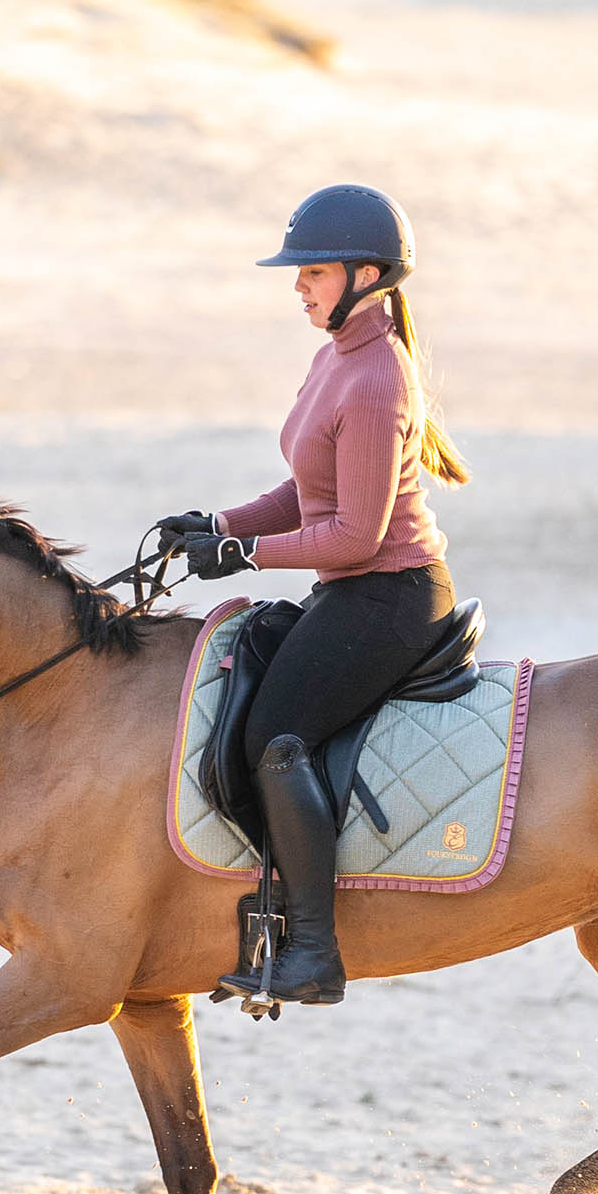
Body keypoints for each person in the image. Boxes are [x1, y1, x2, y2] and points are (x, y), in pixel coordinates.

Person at [156, 184, 471, 1006]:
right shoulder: (335, 356)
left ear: (368, 275)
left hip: (390, 593)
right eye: (298, 273)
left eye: (315, 272)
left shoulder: (374, 378)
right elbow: (309, 490)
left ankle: (314, 953)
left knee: (275, 734)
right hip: (355, 589)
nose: (299, 286)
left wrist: (244, 554)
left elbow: (355, 538)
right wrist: (217, 522)